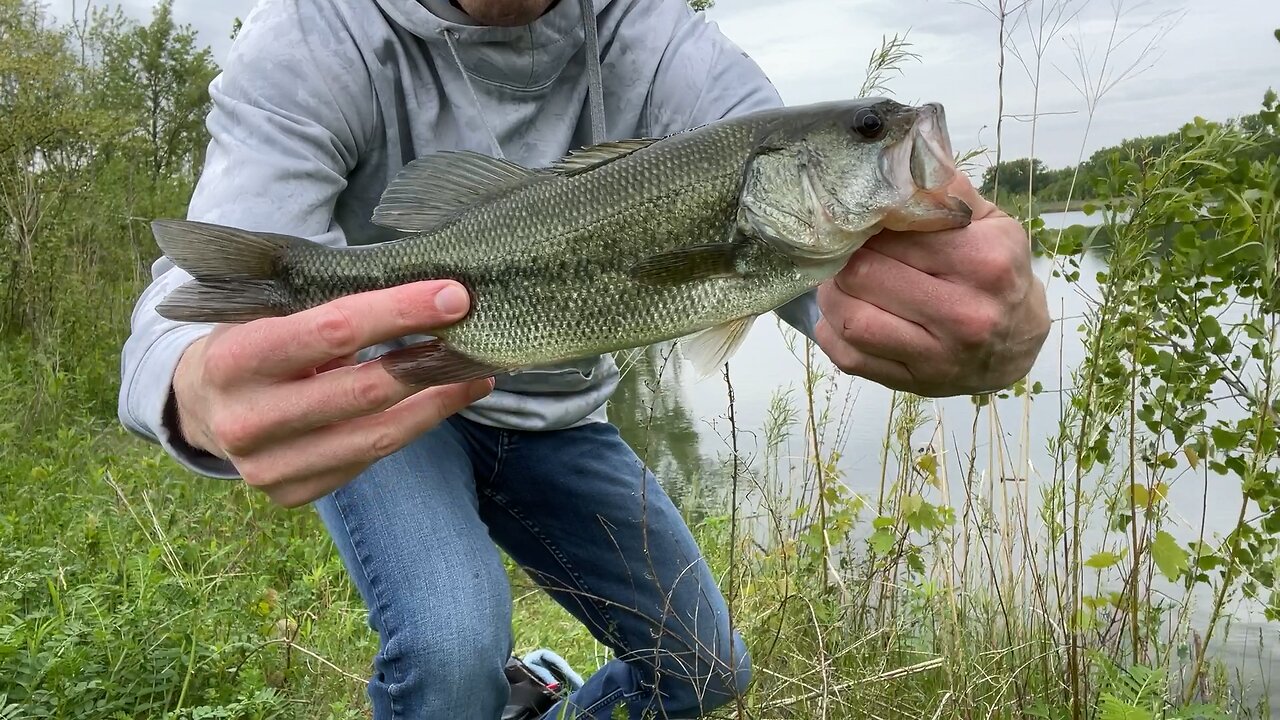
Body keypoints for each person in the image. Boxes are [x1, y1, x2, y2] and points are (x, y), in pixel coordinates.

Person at [117, 0, 1051, 717]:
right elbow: (176, 319)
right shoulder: (314, 34)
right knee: (448, 647)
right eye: (868, 133)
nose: (887, 140)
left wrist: (976, 320)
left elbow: (819, 278)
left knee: (704, 667)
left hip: (558, 418)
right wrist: (194, 383)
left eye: (871, 135)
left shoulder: (660, 41)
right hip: (395, 396)